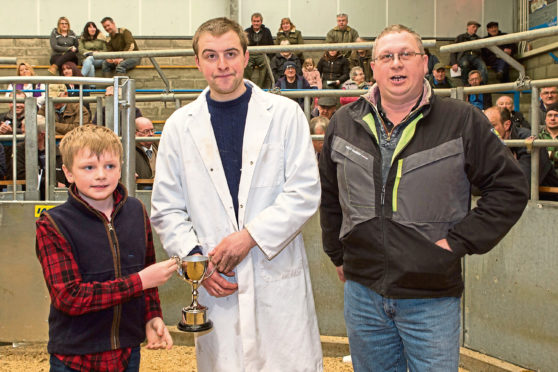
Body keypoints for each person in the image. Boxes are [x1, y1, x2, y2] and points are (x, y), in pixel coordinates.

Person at [319, 24, 528, 371]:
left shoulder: (461, 121)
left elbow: (510, 186)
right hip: (363, 294)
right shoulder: (344, 121)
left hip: (430, 297)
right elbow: (329, 193)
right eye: (386, 56)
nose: (396, 64)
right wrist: (337, 251)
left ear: (425, 63)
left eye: (406, 55)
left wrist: (459, 241)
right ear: (373, 67)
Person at [150, 17, 323, 372]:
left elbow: (304, 190)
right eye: (210, 55)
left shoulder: (286, 115)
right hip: (217, 278)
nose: (222, 64)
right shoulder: (179, 127)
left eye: (230, 53)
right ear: (197, 62)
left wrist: (250, 237)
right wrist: (194, 261)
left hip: (275, 273)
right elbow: (167, 208)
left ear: (246, 57)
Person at [36, 124, 177, 372]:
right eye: (88, 167)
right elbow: (68, 297)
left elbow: (146, 269)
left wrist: (152, 315)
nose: (101, 175)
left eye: (110, 166)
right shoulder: (53, 224)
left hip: (127, 351)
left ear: (120, 168)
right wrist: (139, 282)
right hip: (75, 356)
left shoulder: (136, 211)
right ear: (68, 173)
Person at [485, 106, 558, 193]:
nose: (487, 131)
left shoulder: (526, 139)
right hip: (509, 197)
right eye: (484, 126)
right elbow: (475, 185)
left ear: (507, 125)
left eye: (492, 126)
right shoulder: (489, 142)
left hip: (545, 198)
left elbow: (523, 182)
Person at [6, 115, 67, 200]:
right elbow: (18, 174)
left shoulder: (56, 150)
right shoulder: (19, 149)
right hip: (28, 197)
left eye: (26, 133)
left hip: (55, 197)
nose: (23, 136)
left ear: (42, 134)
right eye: (23, 132)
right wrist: (50, 183)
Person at [450, 20, 488, 85]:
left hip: (476, 57)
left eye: (476, 27)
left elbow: (484, 52)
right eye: (473, 27)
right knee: (465, 64)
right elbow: (453, 50)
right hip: (464, 56)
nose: (475, 29)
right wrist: (454, 63)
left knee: (483, 66)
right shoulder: (460, 37)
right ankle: (466, 85)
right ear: (468, 27)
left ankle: (482, 86)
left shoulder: (479, 39)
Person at [243, 12, 274, 88]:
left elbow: (271, 44)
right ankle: (248, 85)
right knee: (245, 64)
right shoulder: (246, 31)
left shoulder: (267, 31)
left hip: (262, 54)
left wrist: (270, 56)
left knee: (266, 64)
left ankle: (258, 87)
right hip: (250, 54)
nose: (256, 23)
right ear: (252, 22)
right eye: (254, 21)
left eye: (258, 21)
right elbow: (243, 44)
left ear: (261, 22)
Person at [538, 103, 558, 174]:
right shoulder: (538, 136)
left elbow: (542, 157)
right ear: (545, 119)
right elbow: (536, 158)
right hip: (544, 178)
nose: (553, 118)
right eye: (550, 115)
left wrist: (549, 154)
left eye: (556, 115)